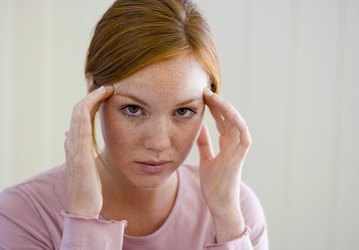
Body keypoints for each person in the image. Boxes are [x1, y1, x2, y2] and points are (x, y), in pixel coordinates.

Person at [0, 0, 268, 249]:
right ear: (93, 91)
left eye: (184, 111)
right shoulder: (21, 215)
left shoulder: (239, 212)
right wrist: (83, 218)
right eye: (133, 109)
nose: (158, 142)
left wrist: (227, 220)